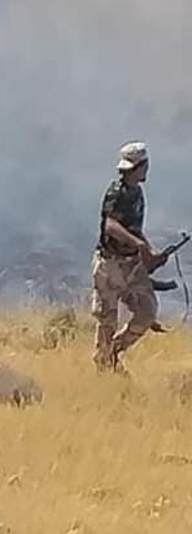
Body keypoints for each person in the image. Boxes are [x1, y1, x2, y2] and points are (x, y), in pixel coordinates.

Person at [91, 141, 168, 373]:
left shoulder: (137, 193)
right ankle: (104, 363)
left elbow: (133, 228)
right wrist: (139, 246)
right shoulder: (117, 192)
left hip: (131, 265)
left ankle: (112, 352)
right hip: (109, 265)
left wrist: (149, 252)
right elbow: (111, 226)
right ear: (140, 167)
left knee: (147, 312)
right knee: (107, 320)